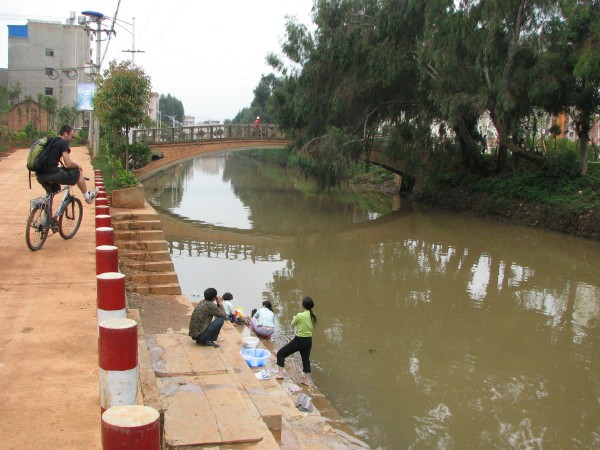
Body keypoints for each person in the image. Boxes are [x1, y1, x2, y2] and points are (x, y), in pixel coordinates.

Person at [35, 125, 98, 204]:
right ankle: (87, 197)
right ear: (65, 134)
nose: (72, 139)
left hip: (39, 175)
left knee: (53, 191)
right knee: (78, 173)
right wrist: (78, 166)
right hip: (51, 174)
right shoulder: (63, 143)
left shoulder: (52, 141)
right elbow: (68, 164)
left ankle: (46, 212)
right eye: (72, 137)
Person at [276, 296, 317, 386]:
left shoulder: (299, 315)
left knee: (281, 353)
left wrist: (294, 318)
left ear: (303, 305)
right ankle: (306, 380)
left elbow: (292, 324)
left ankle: (280, 374)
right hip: (308, 341)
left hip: (299, 340)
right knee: (306, 360)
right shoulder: (313, 316)